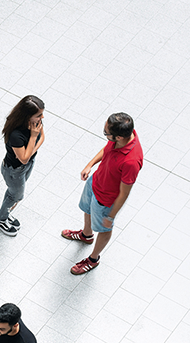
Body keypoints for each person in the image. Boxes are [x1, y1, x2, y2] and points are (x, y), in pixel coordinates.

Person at [61, 112, 144, 274]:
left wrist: (110, 216)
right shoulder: (125, 136)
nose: (105, 135)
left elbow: (124, 193)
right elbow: (107, 148)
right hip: (96, 182)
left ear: (119, 137)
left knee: (104, 229)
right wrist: (90, 165)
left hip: (106, 199)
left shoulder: (131, 162)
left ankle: (93, 259)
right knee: (87, 210)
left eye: (106, 133)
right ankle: (86, 235)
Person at [0, 95, 45, 237]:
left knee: (13, 193)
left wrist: (30, 152)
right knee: (17, 195)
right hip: (14, 170)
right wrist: (33, 137)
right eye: (39, 115)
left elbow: (43, 138)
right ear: (27, 116)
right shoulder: (16, 135)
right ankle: (1, 218)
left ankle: (6, 211)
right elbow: (23, 159)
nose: (42, 118)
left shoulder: (36, 123)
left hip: (27, 164)